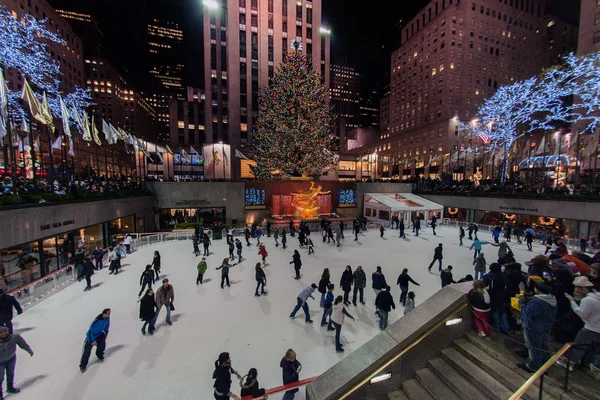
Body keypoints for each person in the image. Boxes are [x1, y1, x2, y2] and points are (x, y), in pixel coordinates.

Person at [556, 276, 600, 371]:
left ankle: (569, 363)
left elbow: (582, 314)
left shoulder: (587, 300)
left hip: (590, 328)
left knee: (578, 347)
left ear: (583, 289)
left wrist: (572, 302)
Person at [517, 281, 557, 373]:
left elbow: (529, 312)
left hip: (533, 326)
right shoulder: (552, 299)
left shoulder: (538, 301)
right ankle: (544, 364)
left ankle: (533, 366)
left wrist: (522, 301)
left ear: (538, 290)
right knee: (543, 346)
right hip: (546, 325)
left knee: (533, 346)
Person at [0, 326, 33, 398]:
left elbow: (23, 344)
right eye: (1, 333)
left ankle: (10, 387)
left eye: (5, 331)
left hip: (11, 358)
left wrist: (29, 350)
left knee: (10, 373)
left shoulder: (14, 337)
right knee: (0, 377)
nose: (4, 334)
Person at [79, 308, 111, 373]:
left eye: (110, 313)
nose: (109, 314)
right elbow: (89, 332)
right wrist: (93, 340)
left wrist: (106, 334)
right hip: (91, 337)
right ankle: (83, 366)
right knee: (86, 352)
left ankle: (100, 356)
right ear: (104, 313)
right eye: (108, 313)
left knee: (102, 346)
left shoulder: (107, 320)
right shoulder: (97, 321)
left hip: (100, 335)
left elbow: (107, 327)